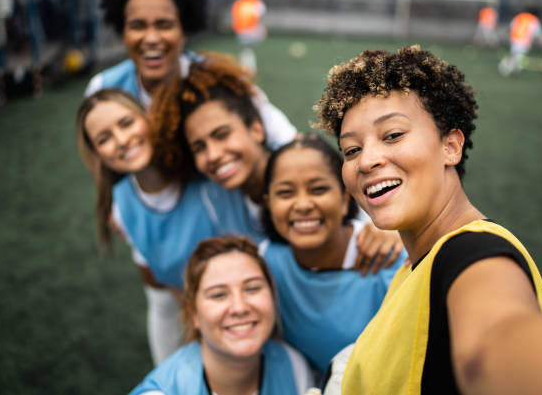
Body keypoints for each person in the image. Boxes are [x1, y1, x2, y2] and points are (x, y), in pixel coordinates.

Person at [314, 46, 542, 395]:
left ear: (451, 146)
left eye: (393, 135)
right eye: (351, 150)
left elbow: (499, 336)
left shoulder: (473, 254)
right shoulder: (416, 264)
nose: (366, 160)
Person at [152, 56, 405, 273]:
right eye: (199, 147)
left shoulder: (304, 161)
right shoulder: (216, 197)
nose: (214, 154)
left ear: (257, 129)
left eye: (222, 135)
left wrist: (387, 229)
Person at [77, 88, 224, 365]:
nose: (122, 140)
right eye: (104, 138)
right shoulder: (121, 208)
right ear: (97, 153)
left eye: (126, 123)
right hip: (193, 317)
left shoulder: (205, 167)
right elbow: (155, 280)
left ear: (148, 118)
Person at [259, 134, 407, 373]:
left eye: (318, 189)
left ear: (345, 198)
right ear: (268, 203)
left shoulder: (390, 258)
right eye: (286, 193)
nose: (303, 204)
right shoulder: (266, 263)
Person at [85, 0, 295, 148]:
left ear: (184, 30)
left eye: (164, 25)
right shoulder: (103, 90)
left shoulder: (218, 78)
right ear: (123, 32)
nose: (151, 38)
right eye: (137, 26)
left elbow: (286, 139)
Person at [128, 235, 314, 395]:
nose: (239, 307)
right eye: (218, 295)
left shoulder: (293, 367)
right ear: (193, 313)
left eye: (252, 288)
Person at [498, 11, 542, 76]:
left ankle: (514, 68)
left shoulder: (519, 16)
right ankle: (507, 68)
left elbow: (511, 27)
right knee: (518, 57)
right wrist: (535, 42)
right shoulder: (534, 19)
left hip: (514, 38)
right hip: (524, 41)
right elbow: (536, 33)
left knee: (516, 56)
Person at [231, 0, 267, 74]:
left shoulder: (238, 2)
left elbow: (234, 18)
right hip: (251, 32)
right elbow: (260, 17)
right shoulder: (256, 2)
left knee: (246, 50)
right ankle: (249, 67)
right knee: (248, 49)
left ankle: (247, 64)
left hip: (240, 32)